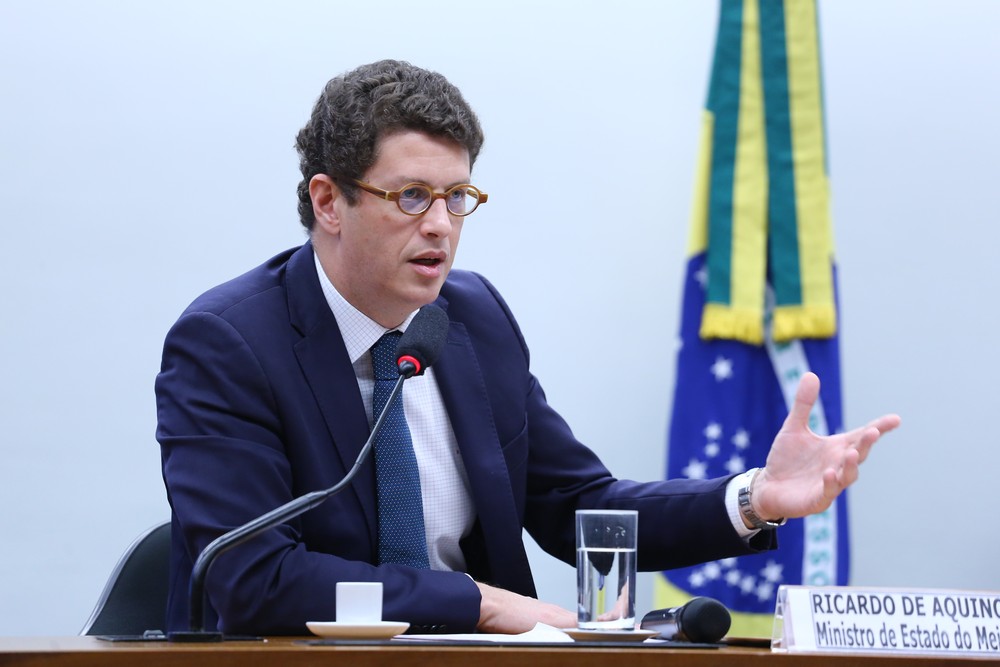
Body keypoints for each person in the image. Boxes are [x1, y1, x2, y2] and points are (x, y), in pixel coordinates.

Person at [155, 59, 900, 636]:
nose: (442, 224)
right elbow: (255, 578)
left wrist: (750, 498)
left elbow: (576, 507)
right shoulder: (229, 344)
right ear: (328, 202)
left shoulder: (471, 318)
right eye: (411, 196)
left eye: (458, 196)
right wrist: (474, 602)